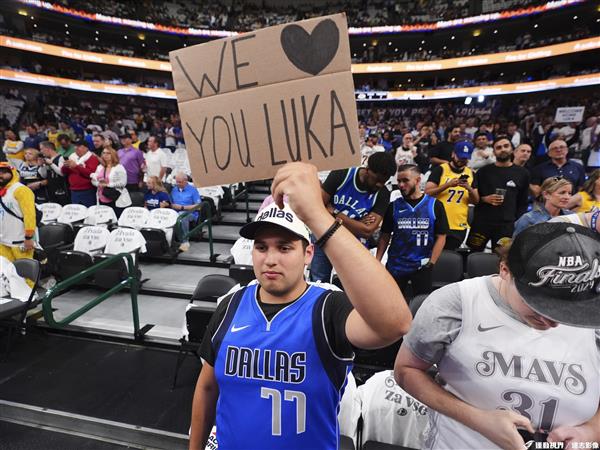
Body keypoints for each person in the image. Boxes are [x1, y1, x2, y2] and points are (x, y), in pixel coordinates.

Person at [189, 162, 412, 450]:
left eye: (284, 247)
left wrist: (318, 215)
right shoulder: (231, 304)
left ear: (308, 254)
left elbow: (395, 323)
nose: (270, 259)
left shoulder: (327, 307)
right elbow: (207, 387)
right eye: (261, 247)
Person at [395, 222, 600, 450]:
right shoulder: (456, 305)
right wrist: (478, 420)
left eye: (570, 310)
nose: (553, 322)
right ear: (505, 270)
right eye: (538, 305)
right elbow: (406, 370)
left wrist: (591, 431)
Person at [311, 151, 395, 282]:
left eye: (384, 181)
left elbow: (367, 231)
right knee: (319, 281)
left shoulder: (382, 193)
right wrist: (356, 223)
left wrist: (335, 213)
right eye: (377, 180)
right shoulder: (342, 174)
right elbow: (318, 207)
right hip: (324, 235)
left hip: (351, 243)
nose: (379, 184)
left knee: (351, 284)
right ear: (367, 170)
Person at [376, 164, 449, 297]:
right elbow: (384, 236)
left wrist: (431, 262)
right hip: (396, 265)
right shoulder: (393, 206)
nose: (401, 185)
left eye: (405, 180)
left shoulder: (435, 205)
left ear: (418, 180)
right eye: (399, 181)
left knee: (422, 304)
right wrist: (377, 260)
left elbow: (441, 236)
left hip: (422, 265)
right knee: (392, 302)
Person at [467, 137, 530, 251]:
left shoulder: (523, 173)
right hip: (482, 222)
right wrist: (485, 199)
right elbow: (472, 199)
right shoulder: (483, 172)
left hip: (506, 225)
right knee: (473, 253)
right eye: (499, 147)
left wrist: (515, 222)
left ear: (512, 149)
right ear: (494, 152)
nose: (503, 149)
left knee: (502, 256)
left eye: (506, 146)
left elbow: (523, 202)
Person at [425, 141, 479, 250]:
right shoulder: (440, 169)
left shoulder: (471, 174)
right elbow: (427, 192)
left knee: (450, 255)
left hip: (458, 224)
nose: (462, 160)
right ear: (453, 154)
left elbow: (476, 200)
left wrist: (469, 188)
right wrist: (447, 185)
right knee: (433, 254)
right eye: (460, 157)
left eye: (465, 158)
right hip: (437, 221)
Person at [0, 162, 36, 261]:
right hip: (3, 240)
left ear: (13, 173)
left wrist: (29, 238)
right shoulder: (2, 190)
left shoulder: (21, 190)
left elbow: (29, 215)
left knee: (24, 269)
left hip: (20, 241)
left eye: (4, 172)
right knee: (6, 269)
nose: (0, 175)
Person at [91, 148, 131, 216]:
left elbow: (123, 183)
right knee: (104, 218)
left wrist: (107, 185)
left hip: (115, 197)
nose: (105, 155)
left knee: (116, 218)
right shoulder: (100, 167)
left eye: (108, 153)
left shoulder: (119, 167)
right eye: (104, 153)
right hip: (102, 197)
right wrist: (98, 184)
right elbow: (93, 181)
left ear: (113, 155)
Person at [61, 139, 100, 207]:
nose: (76, 148)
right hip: (74, 190)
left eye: (79, 146)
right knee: (76, 212)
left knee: (88, 210)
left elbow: (91, 174)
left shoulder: (92, 158)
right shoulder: (72, 157)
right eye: (75, 146)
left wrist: (76, 166)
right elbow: (63, 172)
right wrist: (65, 166)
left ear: (86, 148)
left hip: (87, 191)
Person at [171, 172, 201, 252]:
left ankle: (185, 241)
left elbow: (198, 206)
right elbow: (171, 202)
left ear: (185, 181)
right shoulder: (174, 189)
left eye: (179, 182)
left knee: (181, 216)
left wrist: (182, 207)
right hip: (175, 212)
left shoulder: (193, 190)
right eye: (176, 182)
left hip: (190, 213)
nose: (177, 184)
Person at [38, 141, 69, 205]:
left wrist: (51, 164)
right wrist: (41, 166)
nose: (41, 151)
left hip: (61, 189)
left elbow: (62, 173)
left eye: (41, 149)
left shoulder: (61, 158)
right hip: (51, 189)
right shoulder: (46, 159)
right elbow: (44, 175)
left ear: (48, 149)